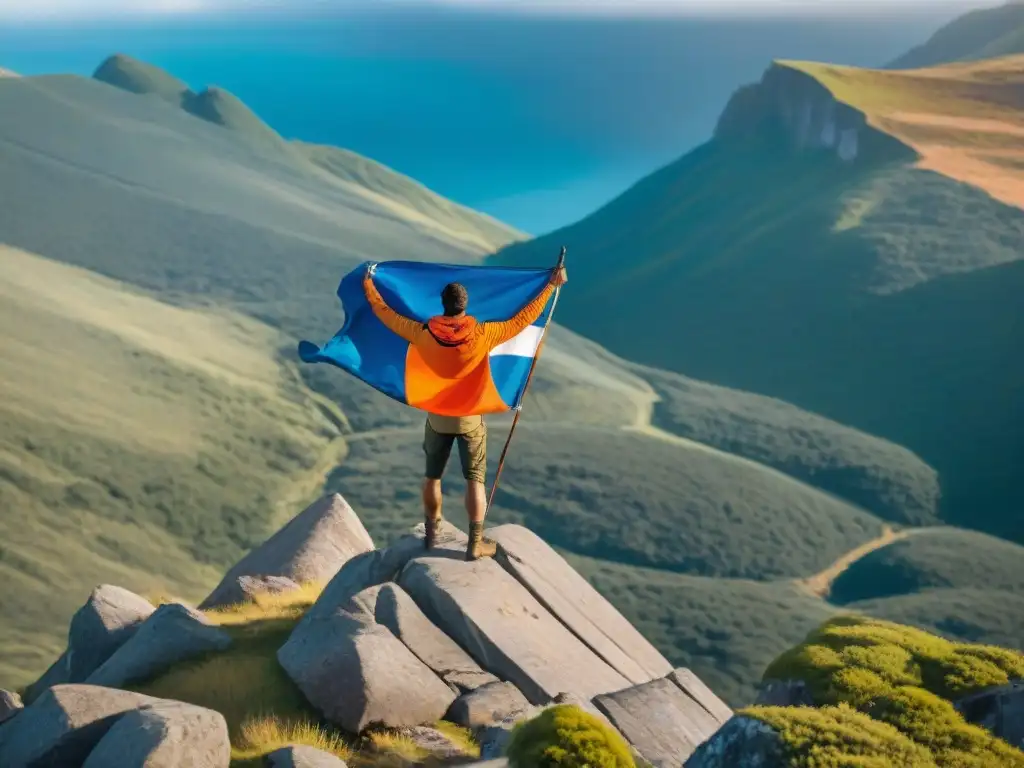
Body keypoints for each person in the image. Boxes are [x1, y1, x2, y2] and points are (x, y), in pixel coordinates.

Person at [362, 263, 567, 560]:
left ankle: (432, 535)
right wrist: (550, 286)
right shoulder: (483, 334)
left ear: (442, 305)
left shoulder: (422, 333)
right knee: (475, 480)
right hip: (469, 420)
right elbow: (525, 318)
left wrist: (369, 285)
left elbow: (386, 315)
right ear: (464, 306)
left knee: (432, 477)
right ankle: (475, 543)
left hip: (437, 419)